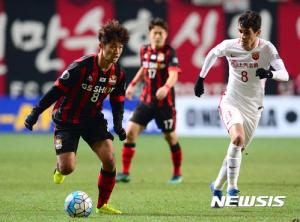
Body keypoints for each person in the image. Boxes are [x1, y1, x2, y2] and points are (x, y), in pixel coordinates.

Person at [24, 20, 129, 214]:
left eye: (120, 47)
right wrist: (35, 113)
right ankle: (58, 169)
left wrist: (118, 125)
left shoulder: (118, 74)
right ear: (101, 46)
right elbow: (55, 91)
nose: (116, 51)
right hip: (67, 120)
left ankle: (102, 204)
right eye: (113, 46)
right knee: (67, 168)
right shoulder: (81, 67)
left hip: (93, 120)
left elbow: (117, 102)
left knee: (110, 158)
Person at [194, 10, 289, 207]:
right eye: (240, 32)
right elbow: (212, 53)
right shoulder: (230, 46)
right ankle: (233, 188)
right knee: (237, 138)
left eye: (247, 33)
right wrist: (201, 78)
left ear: (258, 32)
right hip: (231, 101)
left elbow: (285, 74)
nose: (243, 37)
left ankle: (217, 186)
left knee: (236, 148)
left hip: (254, 108)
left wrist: (270, 74)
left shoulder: (267, 49)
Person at [116, 17, 183, 184]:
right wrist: (132, 85)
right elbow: (144, 68)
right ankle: (125, 173)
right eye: (155, 33)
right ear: (150, 34)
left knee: (170, 138)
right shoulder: (144, 50)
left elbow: (174, 74)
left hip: (164, 104)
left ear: (166, 35)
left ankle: (177, 173)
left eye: (161, 33)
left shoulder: (169, 53)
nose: (158, 36)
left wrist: (166, 88)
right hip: (146, 101)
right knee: (130, 133)